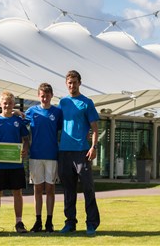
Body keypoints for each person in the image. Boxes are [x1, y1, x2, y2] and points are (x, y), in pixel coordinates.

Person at [58, 70, 100, 236]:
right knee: (68, 190)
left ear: (79, 83)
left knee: (88, 188)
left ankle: (91, 223)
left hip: (82, 152)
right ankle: (70, 223)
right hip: (64, 152)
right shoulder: (62, 103)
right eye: (69, 82)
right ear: (66, 83)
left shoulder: (87, 103)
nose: (72, 85)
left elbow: (95, 128)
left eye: (74, 82)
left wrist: (94, 147)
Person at [0, 91, 30, 234]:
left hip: (16, 164)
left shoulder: (19, 120)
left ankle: (19, 223)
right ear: (0, 104)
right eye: (5, 103)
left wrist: (25, 149)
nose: (7, 105)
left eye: (10, 103)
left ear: (13, 104)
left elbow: (26, 139)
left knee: (18, 192)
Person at [24, 83, 63, 233]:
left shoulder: (57, 112)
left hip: (52, 156)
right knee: (38, 189)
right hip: (35, 156)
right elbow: (20, 119)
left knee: (51, 189)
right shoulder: (31, 111)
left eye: (47, 95)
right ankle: (38, 221)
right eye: (42, 95)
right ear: (38, 96)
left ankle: (49, 222)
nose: (45, 98)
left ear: (51, 95)